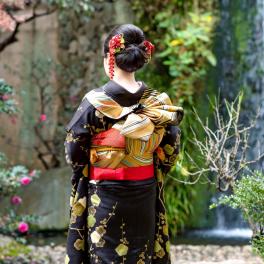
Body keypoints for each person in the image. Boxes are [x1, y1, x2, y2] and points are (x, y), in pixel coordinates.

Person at [64, 23, 184, 264]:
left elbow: (74, 152)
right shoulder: (158, 104)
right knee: (142, 254)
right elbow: (170, 151)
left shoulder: (94, 103)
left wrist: (107, 157)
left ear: (109, 57)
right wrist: (139, 157)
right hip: (145, 191)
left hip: (105, 195)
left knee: (105, 256)